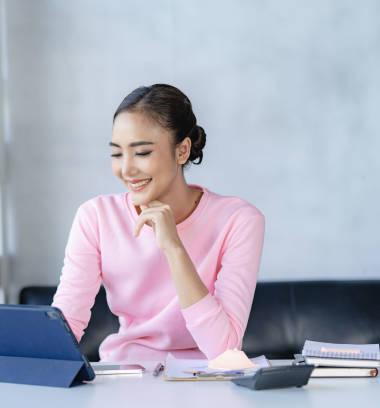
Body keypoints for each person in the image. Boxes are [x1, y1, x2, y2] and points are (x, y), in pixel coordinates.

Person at [52, 84, 265, 362]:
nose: (126, 169)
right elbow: (66, 323)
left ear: (182, 151)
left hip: (207, 383)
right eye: (117, 153)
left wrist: (174, 248)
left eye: (141, 153)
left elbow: (224, 350)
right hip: (125, 380)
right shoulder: (96, 217)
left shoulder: (239, 220)